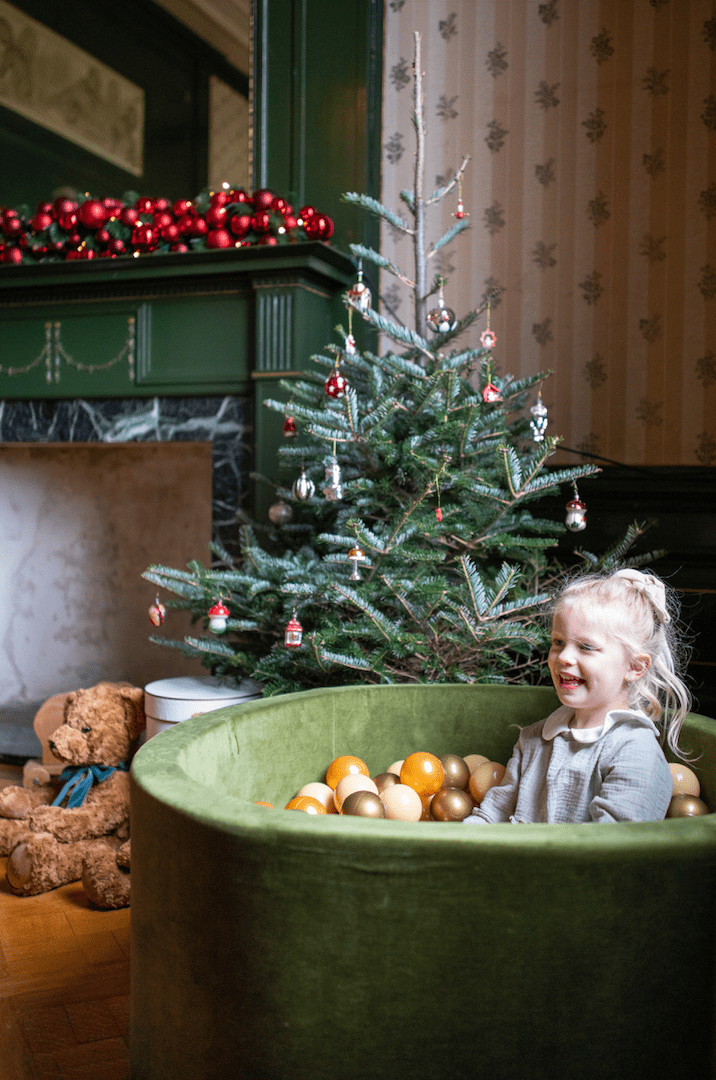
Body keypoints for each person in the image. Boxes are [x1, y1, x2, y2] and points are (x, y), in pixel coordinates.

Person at [464, 568, 692, 825]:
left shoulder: (635, 750)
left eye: (586, 647)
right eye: (558, 642)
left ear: (634, 667)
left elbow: (616, 848)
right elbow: (492, 815)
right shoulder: (533, 739)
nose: (563, 657)